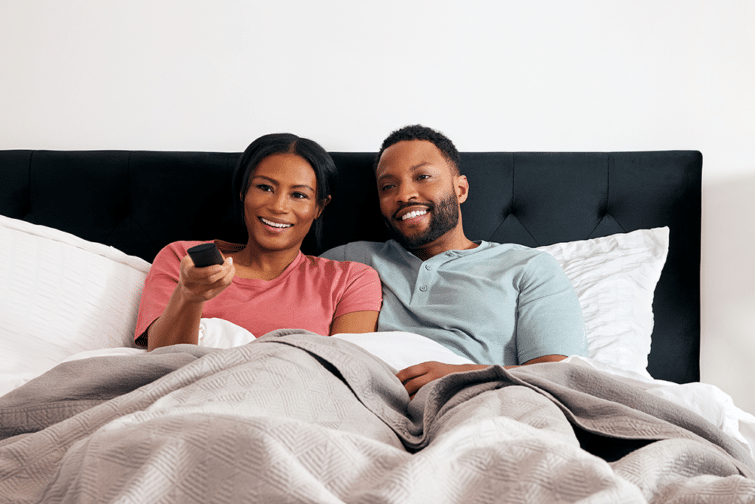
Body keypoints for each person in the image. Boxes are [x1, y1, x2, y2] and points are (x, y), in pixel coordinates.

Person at [322, 125, 587, 397]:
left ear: (460, 189)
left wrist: (461, 375)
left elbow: (561, 375)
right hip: (373, 403)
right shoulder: (351, 260)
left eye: (423, 176)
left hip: (481, 401)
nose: (404, 194)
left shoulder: (527, 267)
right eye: (388, 186)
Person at [134, 133, 382, 351]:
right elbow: (161, 357)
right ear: (243, 192)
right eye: (265, 187)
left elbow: (348, 369)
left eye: (299, 195)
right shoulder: (184, 259)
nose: (278, 206)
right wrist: (189, 296)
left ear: (319, 206)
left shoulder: (351, 280)